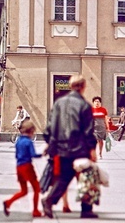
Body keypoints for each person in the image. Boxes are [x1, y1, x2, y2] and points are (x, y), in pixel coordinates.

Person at [42, 75, 98, 219]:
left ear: (71, 86)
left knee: (64, 177)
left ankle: (49, 199)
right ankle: (86, 209)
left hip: (61, 147)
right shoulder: (84, 105)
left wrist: (49, 143)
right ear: (84, 87)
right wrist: (92, 148)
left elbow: (49, 126)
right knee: (87, 176)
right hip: (79, 147)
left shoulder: (58, 103)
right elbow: (88, 130)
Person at [3, 120, 42, 218]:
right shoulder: (28, 142)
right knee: (36, 188)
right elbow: (33, 154)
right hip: (27, 166)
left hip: (19, 166)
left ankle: (8, 202)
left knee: (24, 190)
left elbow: (16, 155)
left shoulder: (18, 141)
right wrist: (43, 153)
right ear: (31, 131)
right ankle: (35, 210)